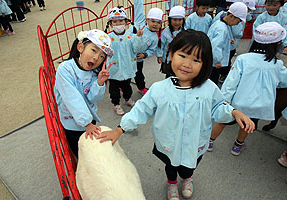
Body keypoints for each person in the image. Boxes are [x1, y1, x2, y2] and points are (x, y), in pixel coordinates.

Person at [97, 30, 255, 200]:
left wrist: (234, 112)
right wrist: (120, 129)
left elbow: (217, 107)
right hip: (168, 142)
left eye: (196, 60)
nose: (187, 64)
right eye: (183, 55)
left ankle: (187, 178)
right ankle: (172, 183)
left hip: (195, 142)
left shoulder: (208, 87)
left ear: (205, 64)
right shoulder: (159, 89)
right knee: (170, 166)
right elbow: (140, 110)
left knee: (189, 166)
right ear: (171, 54)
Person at [208, 22, 287, 156]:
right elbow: (284, 82)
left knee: (222, 122)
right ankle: (237, 146)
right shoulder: (277, 64)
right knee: (247, 125)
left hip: (238, 103)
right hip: (258, 105)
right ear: (276, 44)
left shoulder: (243, 59)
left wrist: (224, 100)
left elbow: (231, 83)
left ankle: (210, 142)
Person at [54, 29, 114, 158]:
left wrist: (99, 82)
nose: (96, 57)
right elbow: (71, 98)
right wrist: (87, 123)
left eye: (102, 56)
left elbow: (92, 98)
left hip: (89, 120)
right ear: (80, 47)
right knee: (81, 153)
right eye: (94, 50)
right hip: (72, 123)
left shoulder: (94, 72)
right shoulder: (65, 69)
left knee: (89, 150)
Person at [104, 6, 146, 116]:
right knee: (114, 89)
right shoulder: (107, 37)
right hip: (114, 70)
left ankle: (127, 99)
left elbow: (138, 48)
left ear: (126, 22)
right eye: (115, 21)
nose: (118, 24)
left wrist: (139, 38)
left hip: (127, 68)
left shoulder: (131, 36)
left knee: (127, 86)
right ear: (110, 23)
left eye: (121, 21)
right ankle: (116, 104)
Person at [207, 2, 247, 85]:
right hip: (214, 63)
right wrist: (217, 60)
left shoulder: (219, 24)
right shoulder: (222, 29)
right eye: (238, 21)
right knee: (212, 81)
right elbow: (216, 46)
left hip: (211, 60)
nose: (237, 24)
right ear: (232, 16)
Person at [134, 0, 163, 95]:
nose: (155, 24)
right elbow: (138, 6)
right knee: (124, 73)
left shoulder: (155, 38)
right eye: (153, 21)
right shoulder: (140, 22)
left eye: (158, 22)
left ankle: (141, 87)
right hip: (126, 55)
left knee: (139, 74)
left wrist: (144, 55)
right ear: (147, 20)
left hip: (138, 59)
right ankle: (123, 85)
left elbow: (151, 50)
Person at [156, 5, 185, 78]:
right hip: (169, 59)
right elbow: (161, 45)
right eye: (174, 20)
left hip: (181, 59)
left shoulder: (184, 31)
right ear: (170, 20)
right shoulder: (165, 32)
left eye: (180, 20)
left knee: (179, 75)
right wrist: (159, 55)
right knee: (169, 76)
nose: (177, 22)